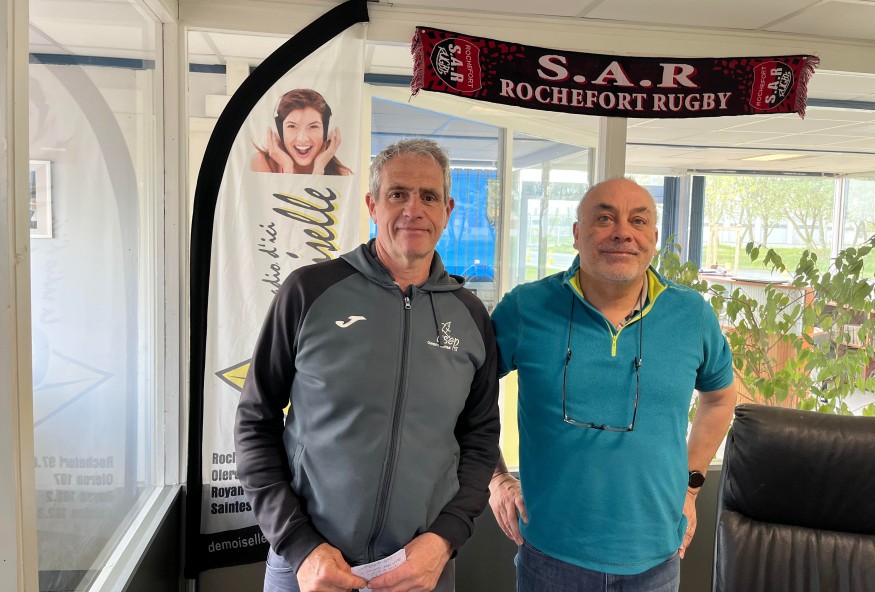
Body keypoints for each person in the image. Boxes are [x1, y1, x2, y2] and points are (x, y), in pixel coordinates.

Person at [235, 138, 500, 592]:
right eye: (398, 194)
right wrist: (299, 544)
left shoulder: (470, 316)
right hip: (309, 566)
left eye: (429, 196)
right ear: (373, 205)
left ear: (447, 210)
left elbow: (479, 439)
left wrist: (445, 539)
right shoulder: (308, 292)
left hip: (421, 569)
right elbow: (254, 421)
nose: (414, 209)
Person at [488, 177, 736, 591]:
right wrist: (496, 478)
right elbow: (464, 395)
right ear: (576, 234)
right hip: (549, 559)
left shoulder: (692, 314)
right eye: (604, 218)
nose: (622, 232)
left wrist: (691, 487)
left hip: (656, 562)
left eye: (638, 221)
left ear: (653, 237)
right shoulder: (526, 308)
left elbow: (720, 397)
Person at [251, 88, 353, 175]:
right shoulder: (262, 163)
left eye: (313, 126)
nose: (302, 139)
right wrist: (287, 167)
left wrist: (318, 169)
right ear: (279, 131)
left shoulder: (341, 174)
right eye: (292, 126)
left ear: (326, 131)